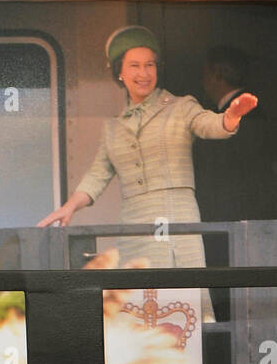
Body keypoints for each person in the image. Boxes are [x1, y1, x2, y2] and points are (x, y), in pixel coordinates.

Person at [35, 25, 257, 256]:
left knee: (178, 288)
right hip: (134, 228)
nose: (144, 74)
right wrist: (69, 208)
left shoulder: (180, 107)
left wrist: (230, 117)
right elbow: (96, 176)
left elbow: (208, 124)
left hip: (177, 221)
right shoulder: (113, 127)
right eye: (135, 66)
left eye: (149, 65)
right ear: (119, 72)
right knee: (138, 286)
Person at [193, 45, 277, 223]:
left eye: (206, 75)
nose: (203, 82)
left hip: (240, 218)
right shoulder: (256, 112)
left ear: (218, 76)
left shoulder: (244, 113)